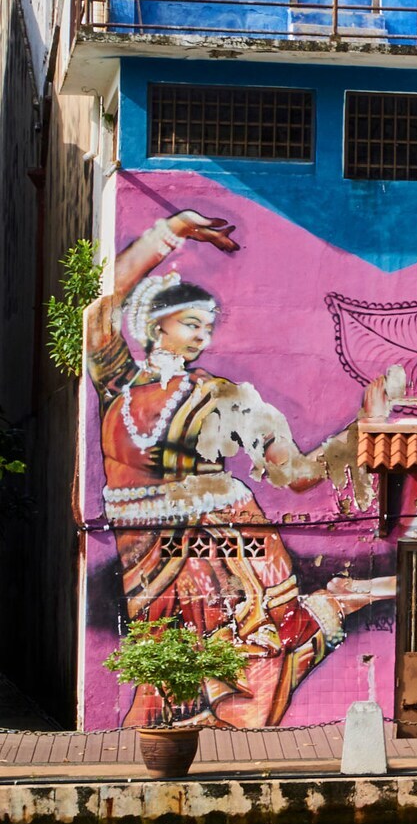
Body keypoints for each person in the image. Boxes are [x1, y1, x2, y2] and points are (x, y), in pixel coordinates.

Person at [90, 210, 394, 727]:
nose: (201, 338)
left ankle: (343, 599)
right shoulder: (118, 383)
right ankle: (341, 600)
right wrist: (172, 231)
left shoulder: (223, 396)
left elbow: (295, 473)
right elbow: (101, 309)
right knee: (160, 686)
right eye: (191, 324)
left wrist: (362, 429)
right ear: (156, 325)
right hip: (147, 557)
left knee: (250, 680)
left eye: (207, 329)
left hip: (229, 548)